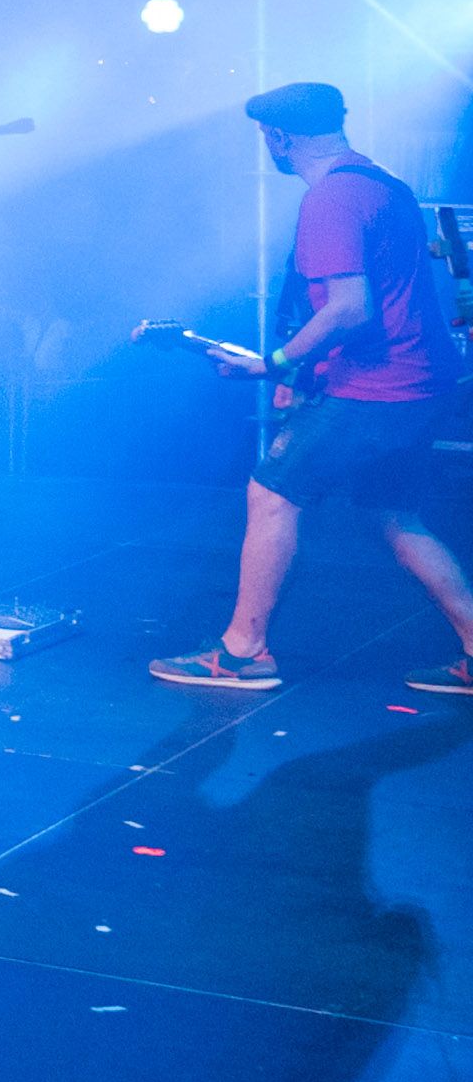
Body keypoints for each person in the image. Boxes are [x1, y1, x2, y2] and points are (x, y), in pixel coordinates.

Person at [150, 80, 473, 693]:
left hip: (378, 388)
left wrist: (274, 363)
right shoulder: (386, 185)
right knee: (395, 514)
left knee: (271, 494)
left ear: (277, 137)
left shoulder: (329, 200)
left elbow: (351, 309)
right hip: (420, 383)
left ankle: (243, 652)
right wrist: (299, 370)